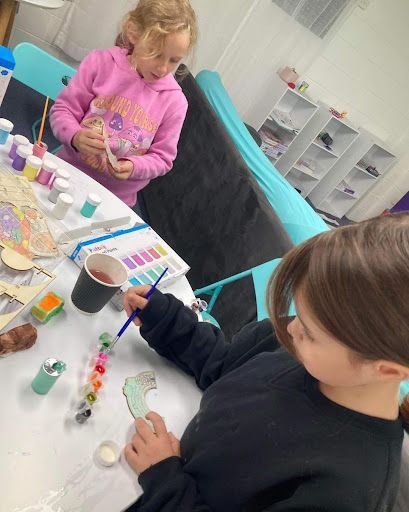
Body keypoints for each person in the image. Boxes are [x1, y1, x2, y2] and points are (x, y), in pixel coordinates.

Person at [122, 212, 409, 511]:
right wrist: (167, 321)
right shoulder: (292, 344)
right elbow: (222, 364)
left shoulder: (347, 491)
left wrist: (164, 477)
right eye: (299, 312)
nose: (290, 328)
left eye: (311, 333)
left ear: (386, 369)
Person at [50, 0, 197, 212]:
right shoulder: (100, 63)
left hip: (114, 200)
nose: (164, 68)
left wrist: (135, 166)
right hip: (66, 173)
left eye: (174, 60)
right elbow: (62, 110)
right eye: (155, 53)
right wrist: (75, 136)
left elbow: (163, 158)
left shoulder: (175, 102)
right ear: (133, 33)